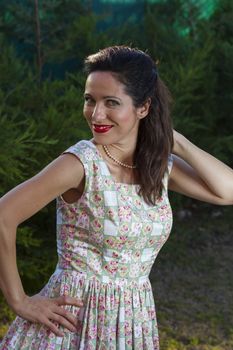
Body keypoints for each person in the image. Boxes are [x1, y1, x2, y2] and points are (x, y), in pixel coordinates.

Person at [0, 45, 232, 350]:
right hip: (73, 325)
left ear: (143, 108)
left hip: (132, 323)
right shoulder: (79, 164)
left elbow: (226, 192)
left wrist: (179, 143)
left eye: (111, 102)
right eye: (89, 100)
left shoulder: (156, 165)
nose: (96, 114)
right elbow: (3, 215)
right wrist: (20, 301)